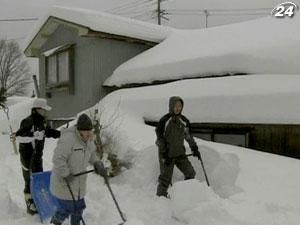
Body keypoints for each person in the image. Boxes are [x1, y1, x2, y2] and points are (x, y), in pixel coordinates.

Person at [50, 113, 107, 225]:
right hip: (64, 182)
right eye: (83, 134)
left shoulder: (89, 139)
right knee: (67, 209)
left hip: (79, 184)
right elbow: (57, 159)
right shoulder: (68, 139)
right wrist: (66, 173)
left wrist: (97, 163)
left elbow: (91, 154)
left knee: (78, 209)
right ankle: (55, 223)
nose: (86, 137)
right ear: (78, 130)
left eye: (88, 134)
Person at [15, 98, 61, 214]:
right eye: (44, 110)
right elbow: (19, 136)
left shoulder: (42, 122)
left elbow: (48, 132)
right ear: (38, 109)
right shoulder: (27, 121)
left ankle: (39, 201)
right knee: (28, 180)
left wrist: (62, 134)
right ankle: (29, 203)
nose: (46, 112)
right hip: (27, 157)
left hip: (37, 157)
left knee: (38, 179)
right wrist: (33, 135)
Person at [155, 96, 201, 197]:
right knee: (165, 180)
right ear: (171, 106)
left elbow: (188, 137)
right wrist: (164, 153)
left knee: (190, 173)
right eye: (175, 106)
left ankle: (184, 195)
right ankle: (160, 200)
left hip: (180, 154)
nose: (177, 108)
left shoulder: (184, 121)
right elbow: (159, 139)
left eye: (180, 106)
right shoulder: (165, 120)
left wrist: (194, 148)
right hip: (166, 155)